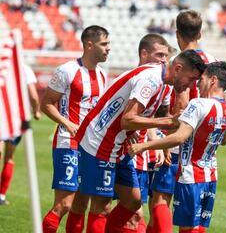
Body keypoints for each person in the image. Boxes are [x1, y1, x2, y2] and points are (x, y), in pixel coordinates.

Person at [71, 49, 205, 233]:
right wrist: (168, 121)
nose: (191, 85)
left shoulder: (166, 83)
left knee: (133, 201)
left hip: (118, 144)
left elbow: (159, 117)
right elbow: (128, 119)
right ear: (178, 68)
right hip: (99, 141)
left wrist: (181, 121)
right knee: (101, 205)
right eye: (191, 79)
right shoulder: (150, 79)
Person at [129, 61, 226, 232]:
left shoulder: (199, 104)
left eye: (202, 79)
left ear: (213, 80)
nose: (198, 83)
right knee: (197, 226)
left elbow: (179, 137)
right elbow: (223, 140)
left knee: (186, 227)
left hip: (191, 176)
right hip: (211, 175)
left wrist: (145, 146)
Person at [146, 9, 217, 233]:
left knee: (160, 199)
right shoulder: (215, 62)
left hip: (180, 137)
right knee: (193, 208)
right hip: (205, 142)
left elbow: (181, 104)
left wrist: (167, 139)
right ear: (201, 33)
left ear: (177, 34)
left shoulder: (178, 62)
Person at [41, 25, 110, 233]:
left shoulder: (103, 74)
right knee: (65, 204)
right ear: (89, 45)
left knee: (81, 204)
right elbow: (46, 104)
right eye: (104, 44)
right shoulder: (67, 70)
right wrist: (67, 123)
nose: (109, 48)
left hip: (91, 147)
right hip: (68, 142)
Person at [114, 33, 170, 232]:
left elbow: (151, 118)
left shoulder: (161, 84)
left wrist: (159, 143)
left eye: (166, 56)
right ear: (144, 53)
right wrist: (128, 129)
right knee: (128, 210)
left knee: (136, 211)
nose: (164, 60)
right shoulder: (135, 79)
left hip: (141, 154)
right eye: (159, 55)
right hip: (119, 151)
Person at [0, 64, 41, 206]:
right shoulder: (24, 68)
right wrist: (36, 111)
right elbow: (34, 96)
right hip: (15, 119)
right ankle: (2, 195)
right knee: (9, 157)